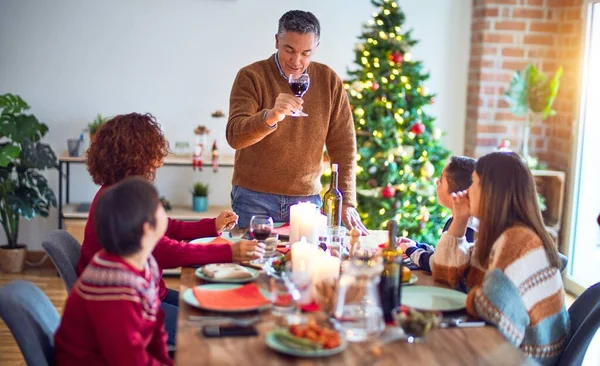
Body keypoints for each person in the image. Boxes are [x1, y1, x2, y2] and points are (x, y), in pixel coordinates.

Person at [76, 113, 264, 346]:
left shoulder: (124, 190)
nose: (160, 158)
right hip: (125, 306)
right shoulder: (120, 201)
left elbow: (167, 228)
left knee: (222, 315)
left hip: (146, 294)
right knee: (219, 329)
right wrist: (230, 253)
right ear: (136, 153)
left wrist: (211, 225)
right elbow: (166, 251)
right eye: (154, 149)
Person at [226, 10, 367, 234]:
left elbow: (344, 146)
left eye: (306, 53)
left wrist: (347, 200)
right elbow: (235, 136)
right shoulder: (251, 76)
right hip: (254, 198)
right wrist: (270, 116)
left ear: (316, 48)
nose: (296, 61)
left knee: (305, 266)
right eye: (289, 50)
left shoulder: (328, 80)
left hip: (307, 201)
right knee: (252, 265)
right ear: (276, 41)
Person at [432, 152, 569, 365]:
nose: (467, 191)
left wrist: (474, 294)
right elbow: (447, 276)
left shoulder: (516, 241)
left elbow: (492, 311)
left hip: (526, 358)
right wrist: (460, 219)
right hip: (510, 351)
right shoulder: (498, 233)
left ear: (491, 192)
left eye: (474, 183)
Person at [56, 177, 173, 365]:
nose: (165, 211)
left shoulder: (142, 264)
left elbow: (154, 325)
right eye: (160, 206)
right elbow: (129, 360)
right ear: (146, 228)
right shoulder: (116, 292)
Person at [398, 156, 477, 272]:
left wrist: (411, 250)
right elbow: (443, 254)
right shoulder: (455, 220)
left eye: (441, 180)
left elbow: (441, 265)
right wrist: (418, 246)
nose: (436, 181)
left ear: (455, 195)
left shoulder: (467, 229)